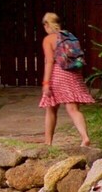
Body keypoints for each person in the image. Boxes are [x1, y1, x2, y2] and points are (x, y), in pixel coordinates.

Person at [40, 12, 95, 147]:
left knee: (51, 108)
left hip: (58, 75)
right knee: (73, 109)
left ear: (46, 24)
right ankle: (85, 137)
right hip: (74, 74)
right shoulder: (69, 36)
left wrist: (46, 83)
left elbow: (49, 62)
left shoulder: (48, 40)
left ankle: (48, 143)